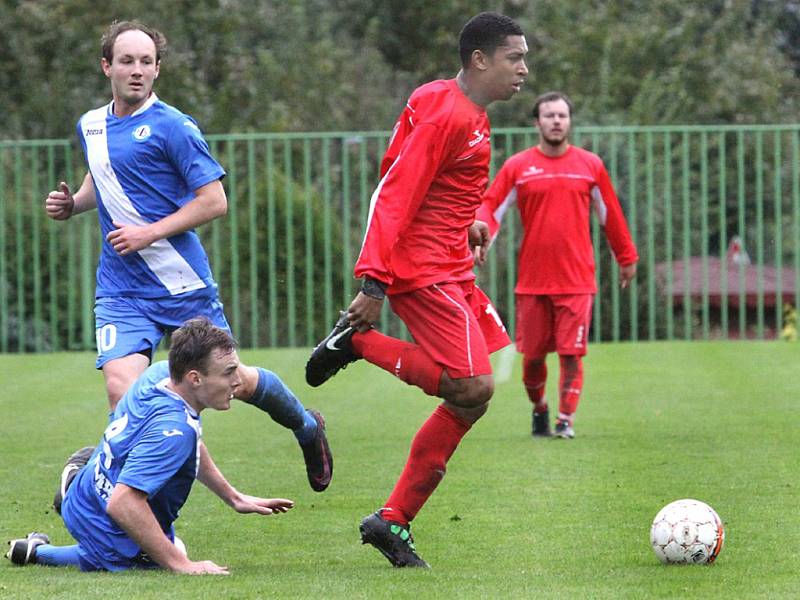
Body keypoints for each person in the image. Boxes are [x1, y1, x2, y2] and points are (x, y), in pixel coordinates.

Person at [43, 20, 332, 492]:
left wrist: (148, 233)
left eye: (146, 62)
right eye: (126, 61)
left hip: (181, 285)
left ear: (157, 70)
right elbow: (104, 175)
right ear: (106, 67)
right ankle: (133, 512)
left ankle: (306, 427)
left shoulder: (174, 127)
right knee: (125, 395)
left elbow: (214, 200)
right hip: (121, 290)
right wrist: (73, 204)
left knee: (233, 383)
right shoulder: (90, 124)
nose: (136, 71)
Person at [305, 12, 528, 567]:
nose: (524, 68)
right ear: (480, 60)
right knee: (473, 386)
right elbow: (394, 193)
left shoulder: (461, 108)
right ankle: (357, 342)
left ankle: (392, 521)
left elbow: (446, 182)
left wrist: (471, 218)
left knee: (472, 397)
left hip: (451, 261)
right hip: (421, 269)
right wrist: (373, 281)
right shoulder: (448, 113)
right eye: (515, 57)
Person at [6, 318, 294, 574]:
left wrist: (233, 497)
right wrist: (183, 565)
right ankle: (42, 552)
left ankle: (61, 502)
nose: (237, 380)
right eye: (228, 372)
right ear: (195, 378)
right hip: (106, 520)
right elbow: (123, 503)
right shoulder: (174, 431)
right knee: (164, 553)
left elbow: (187, 442)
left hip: (89, 491)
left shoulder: (160, 374)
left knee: (156, 543)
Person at [475, 91, 638, 439]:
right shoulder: (519, 167)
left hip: (577, 280)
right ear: (537, 123)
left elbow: (611, 214)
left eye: (562, 115)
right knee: (532, 359)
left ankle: (565, 420)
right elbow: (491, 206)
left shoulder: (589, 165)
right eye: (549, 115)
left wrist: (626, 258)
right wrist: (481, 235)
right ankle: (540, 409)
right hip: (533, 281)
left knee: (570, 354)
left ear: (569, 121)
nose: (556, 121)